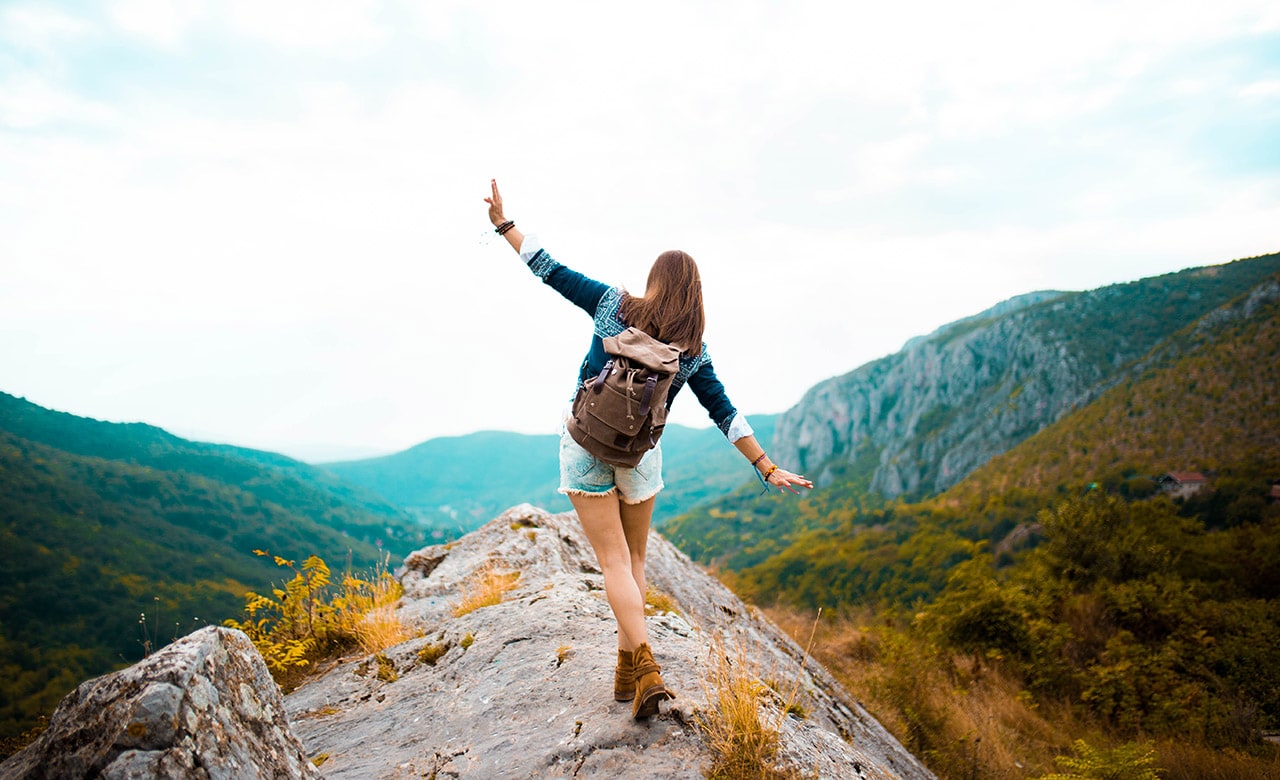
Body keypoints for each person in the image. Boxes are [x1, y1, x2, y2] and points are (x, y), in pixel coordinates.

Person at [484, 179, 813, 719]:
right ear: (696, 293)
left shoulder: (614, 306)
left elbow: (548, 267)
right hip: (640, 457)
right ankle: (627, 671)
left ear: (655, 282)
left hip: (586, 444)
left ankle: (646, 668)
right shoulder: (693, 351)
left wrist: (503, 224)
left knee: (611, 562)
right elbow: (725, 413)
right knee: (634, 561)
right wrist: (766, 465)